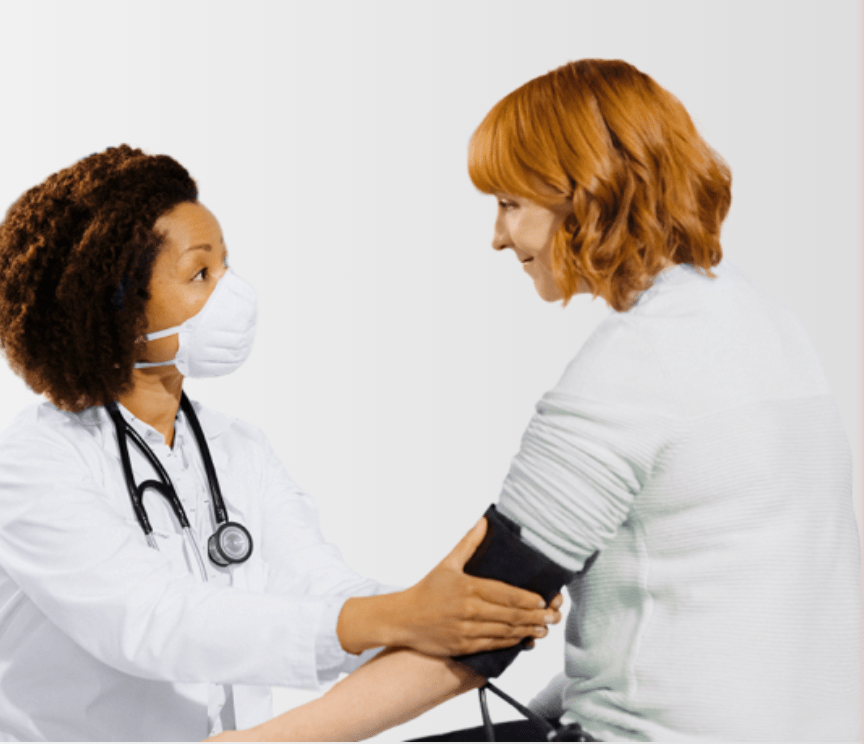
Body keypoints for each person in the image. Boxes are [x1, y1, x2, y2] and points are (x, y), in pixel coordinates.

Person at [209, 59, 862, 742]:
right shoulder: (773, 329)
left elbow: (477, 633)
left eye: (511, 204)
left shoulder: (636, 365)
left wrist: (258, 742)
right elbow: (730, 612)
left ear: (586, 193)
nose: (497, 235)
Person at [0, 145, 564, 742]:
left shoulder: (234, 448)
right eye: (201, 274)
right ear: (114, 306)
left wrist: (451, 610)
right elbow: (151, 622)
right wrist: (402, 617)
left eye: (226, 268)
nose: (232, 294)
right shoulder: (32, 466)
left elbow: (318, 587)